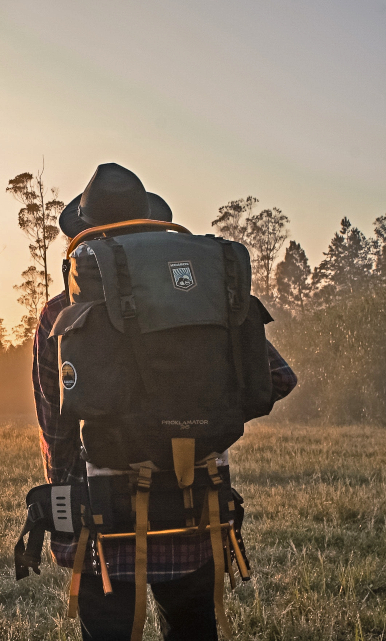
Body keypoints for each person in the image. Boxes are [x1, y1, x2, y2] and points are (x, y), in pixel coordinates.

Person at [32, 163, 297, 641]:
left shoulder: (59, 314)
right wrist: (201, 417)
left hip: (104, 518)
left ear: (88, 235)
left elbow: (56, 428)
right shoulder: (208, 299)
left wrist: (65, 515)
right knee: (194, 629)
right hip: (197, 505)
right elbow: (277, 379)